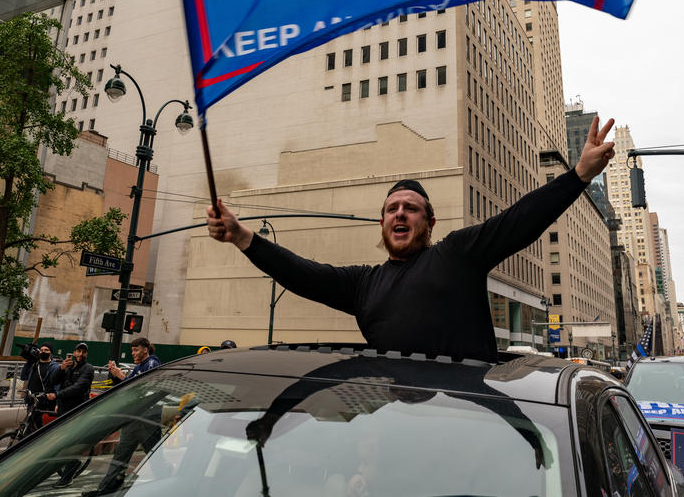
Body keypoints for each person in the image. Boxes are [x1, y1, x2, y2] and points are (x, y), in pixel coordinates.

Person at [207, 115, 615, 362]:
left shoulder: (456, 254)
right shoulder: (362, 284)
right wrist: (244, 237)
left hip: (469, 422)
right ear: (382, 224)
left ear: (430, 222)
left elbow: (519, 221)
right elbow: (302, 274)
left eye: (411, 207)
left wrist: (578, 176)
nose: (399, 212)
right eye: (391, 208)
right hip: (395, 429)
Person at [84, 338, 162, 496]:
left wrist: (120, 375)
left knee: (156, 458)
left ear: (145, 349)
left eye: (136, 350)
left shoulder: (152, 364)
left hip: (147, 420)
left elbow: (142, 390)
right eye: (132, 350)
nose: (133, 353)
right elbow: (126, 386)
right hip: (133, 418)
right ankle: (104, 490)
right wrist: (115, 375)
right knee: (120, 456)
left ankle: (173, 485)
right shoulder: (140, 366)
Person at [49, 342, 95, 487]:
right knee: (62, 442)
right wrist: (60, 369)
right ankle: (69, 466)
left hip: (77, 411)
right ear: (74, 352)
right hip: (63, 409)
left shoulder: (88, 369)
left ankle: (68, 475)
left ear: (86, 354)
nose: (80, 354)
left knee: (69, 443)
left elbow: (78, 388)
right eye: (78, 351)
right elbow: (53, 380)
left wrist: (57, 395)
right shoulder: (68, 367)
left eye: (84, 352)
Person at [18, 342, 59, 433]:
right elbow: (23, 376)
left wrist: (56, 398)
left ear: (51, 352)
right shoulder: (35, 364)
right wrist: (29, 361)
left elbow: (57, 384)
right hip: (32, 399)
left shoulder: (54, 367)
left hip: (44, 401)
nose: (43, 352)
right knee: (29, 426)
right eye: (42, 350)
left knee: (41, 428)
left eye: (46, 350)